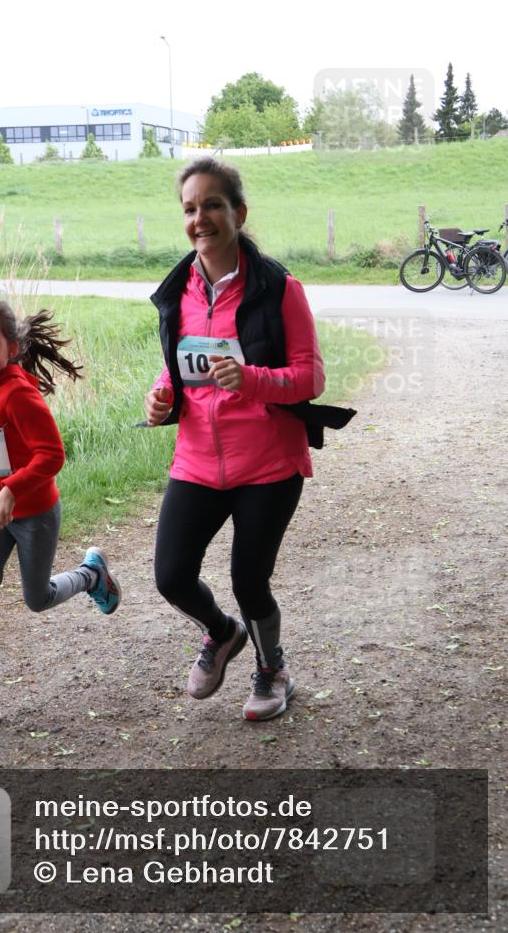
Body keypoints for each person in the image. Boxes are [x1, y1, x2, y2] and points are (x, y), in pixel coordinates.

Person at [144, 157, 354, 722]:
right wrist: (162, 395)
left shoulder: (279, 288)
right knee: (170, 575)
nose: (200, 218)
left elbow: (310, 376)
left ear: (238, 212)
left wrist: (254, 380)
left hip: (268, 463)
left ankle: (272, 670)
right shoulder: (178, 291)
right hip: (196, 460)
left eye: (213, 205)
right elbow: (179, 366)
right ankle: (222, 632)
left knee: (247, 578)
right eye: (190, 208)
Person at [0, 287, 121, 730]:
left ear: (11, 347)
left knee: (37, 599)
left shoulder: (19, 393)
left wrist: (12, 491)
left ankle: (91, 574)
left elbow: (52, 454)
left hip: (33, 513)